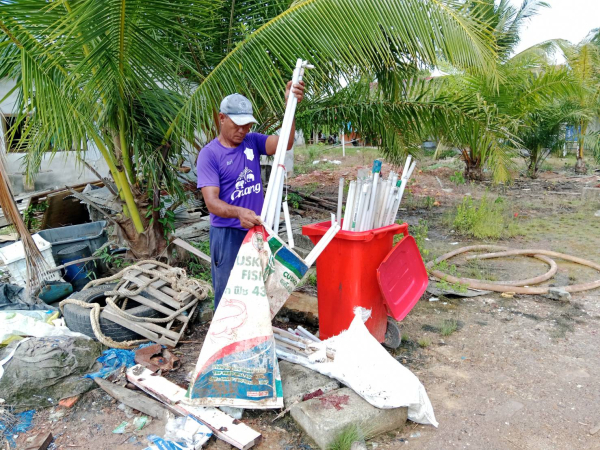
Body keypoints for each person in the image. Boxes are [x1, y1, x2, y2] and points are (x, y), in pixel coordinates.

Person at [197, 81, 305, 309]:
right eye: (238, 124)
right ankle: (226, 342)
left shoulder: (251, 141)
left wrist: (290, 106)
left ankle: (253, 340)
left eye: (247, 125)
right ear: (222, 118)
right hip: (227, 236)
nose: (243, 130)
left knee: (255, 292)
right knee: (229, 296)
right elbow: (212, 203)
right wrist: (238, 213)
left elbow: (285, 142)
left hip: (256, 233)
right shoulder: (210, 155)